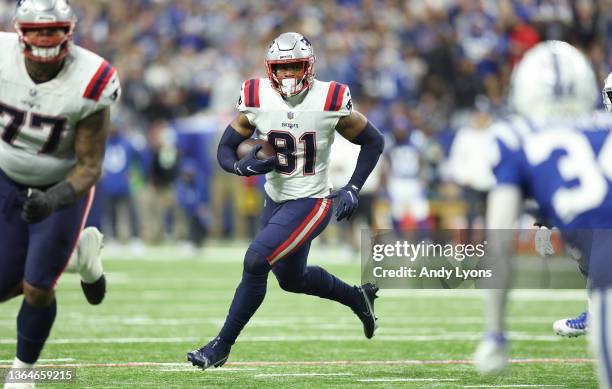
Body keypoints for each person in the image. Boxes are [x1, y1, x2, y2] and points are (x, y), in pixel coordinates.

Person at [187, 32, 384, 370]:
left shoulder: (330, 98)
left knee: (255, 261)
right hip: (275, 199)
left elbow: (373, 141)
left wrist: (352, 186)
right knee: (293, 280)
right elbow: (224, 148)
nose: (290, 75)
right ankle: (357, 297)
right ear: (270, 69)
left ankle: (220, 346)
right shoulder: (256, 95)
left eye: (295, 66)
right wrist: (238, 165)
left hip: (312, 200)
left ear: (308, 67)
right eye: (283, 68)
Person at [472, 41, 612, 388]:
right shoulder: (602, 128)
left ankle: (593, 309)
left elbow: (500, 243)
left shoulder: (515, 137)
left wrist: (495, 332)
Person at [0, 1, 120, 388]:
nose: (44, 38)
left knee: (37, 286)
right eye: (37, 30)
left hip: (60, 183)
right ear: (20, 31)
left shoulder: (91, 77)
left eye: (52, 29)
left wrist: (52, 200)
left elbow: (90, 165)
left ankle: (23, 373)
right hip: (4, 173)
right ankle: (76, 259)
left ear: (69, 31)